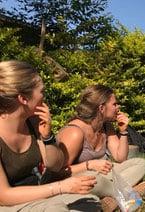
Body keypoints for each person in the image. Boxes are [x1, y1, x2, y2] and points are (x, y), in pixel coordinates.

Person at [0, 60, 100, 211]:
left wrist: (47, 137)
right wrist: (60, 187)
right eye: (42, 92)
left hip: (42, 195)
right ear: (23, 99)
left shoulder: (33, 123)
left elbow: (55, 165)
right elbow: (5, 196)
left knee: (91, 200)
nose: (44, 97)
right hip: (10, 205)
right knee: (56, 209)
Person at [57, 85, 145, 200]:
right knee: (95, 180)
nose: (118, 107)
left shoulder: (106, 126)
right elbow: (58, 173)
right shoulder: (74, 132)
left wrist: (123, 131)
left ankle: (113, 197)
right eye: (114, 104)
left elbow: (120, 157)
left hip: (103, 175)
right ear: (101, 108)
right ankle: (129, 194)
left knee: (140, 163)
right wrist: (89, 165)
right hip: (81, 179)